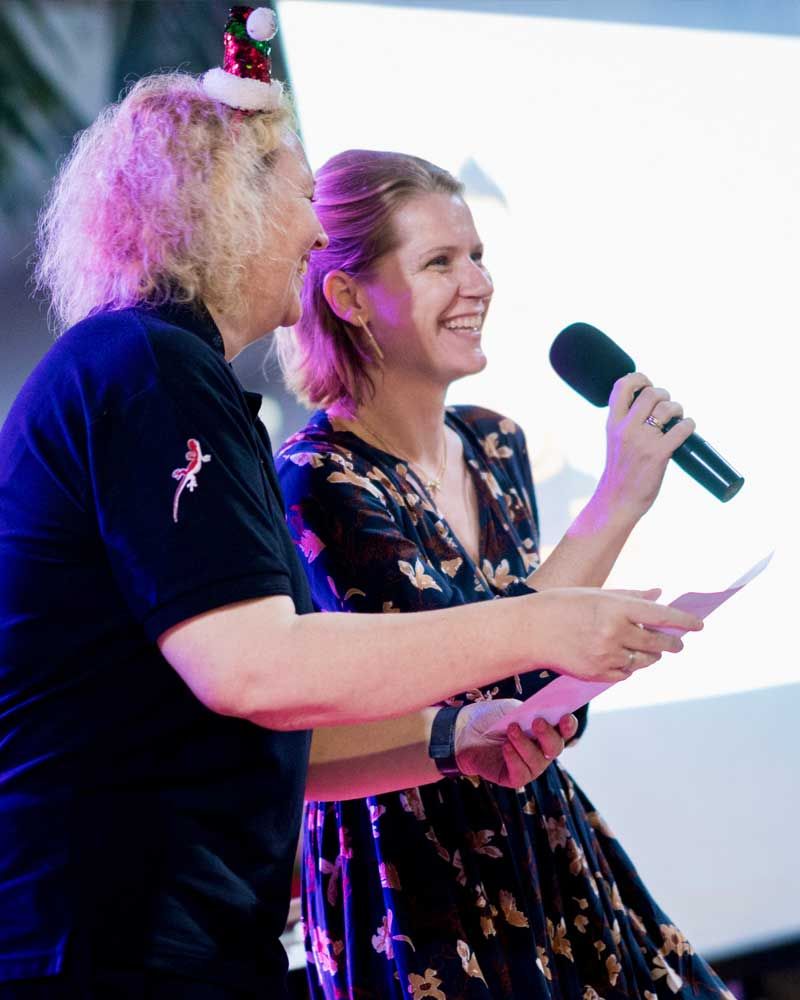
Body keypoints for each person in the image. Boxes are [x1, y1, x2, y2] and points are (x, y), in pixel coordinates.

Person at [0, 8, 699, 999]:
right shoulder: (150, 371)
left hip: (179, 944)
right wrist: (542, 622)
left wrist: (453, 737)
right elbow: (257, 669)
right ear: (225, 206)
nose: (315, 230)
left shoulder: (169, 375)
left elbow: (272, 719)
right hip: (110, 948)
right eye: (294, 192)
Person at [275, 149, 734, 999]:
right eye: (440, 262)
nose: (477, 283)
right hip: (418, 884)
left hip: (540, 839)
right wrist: (617, 502)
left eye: (478, 255)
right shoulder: (322, 479)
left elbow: (533, 690)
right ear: (346, 297)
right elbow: (480, 688)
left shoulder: (495, 442)